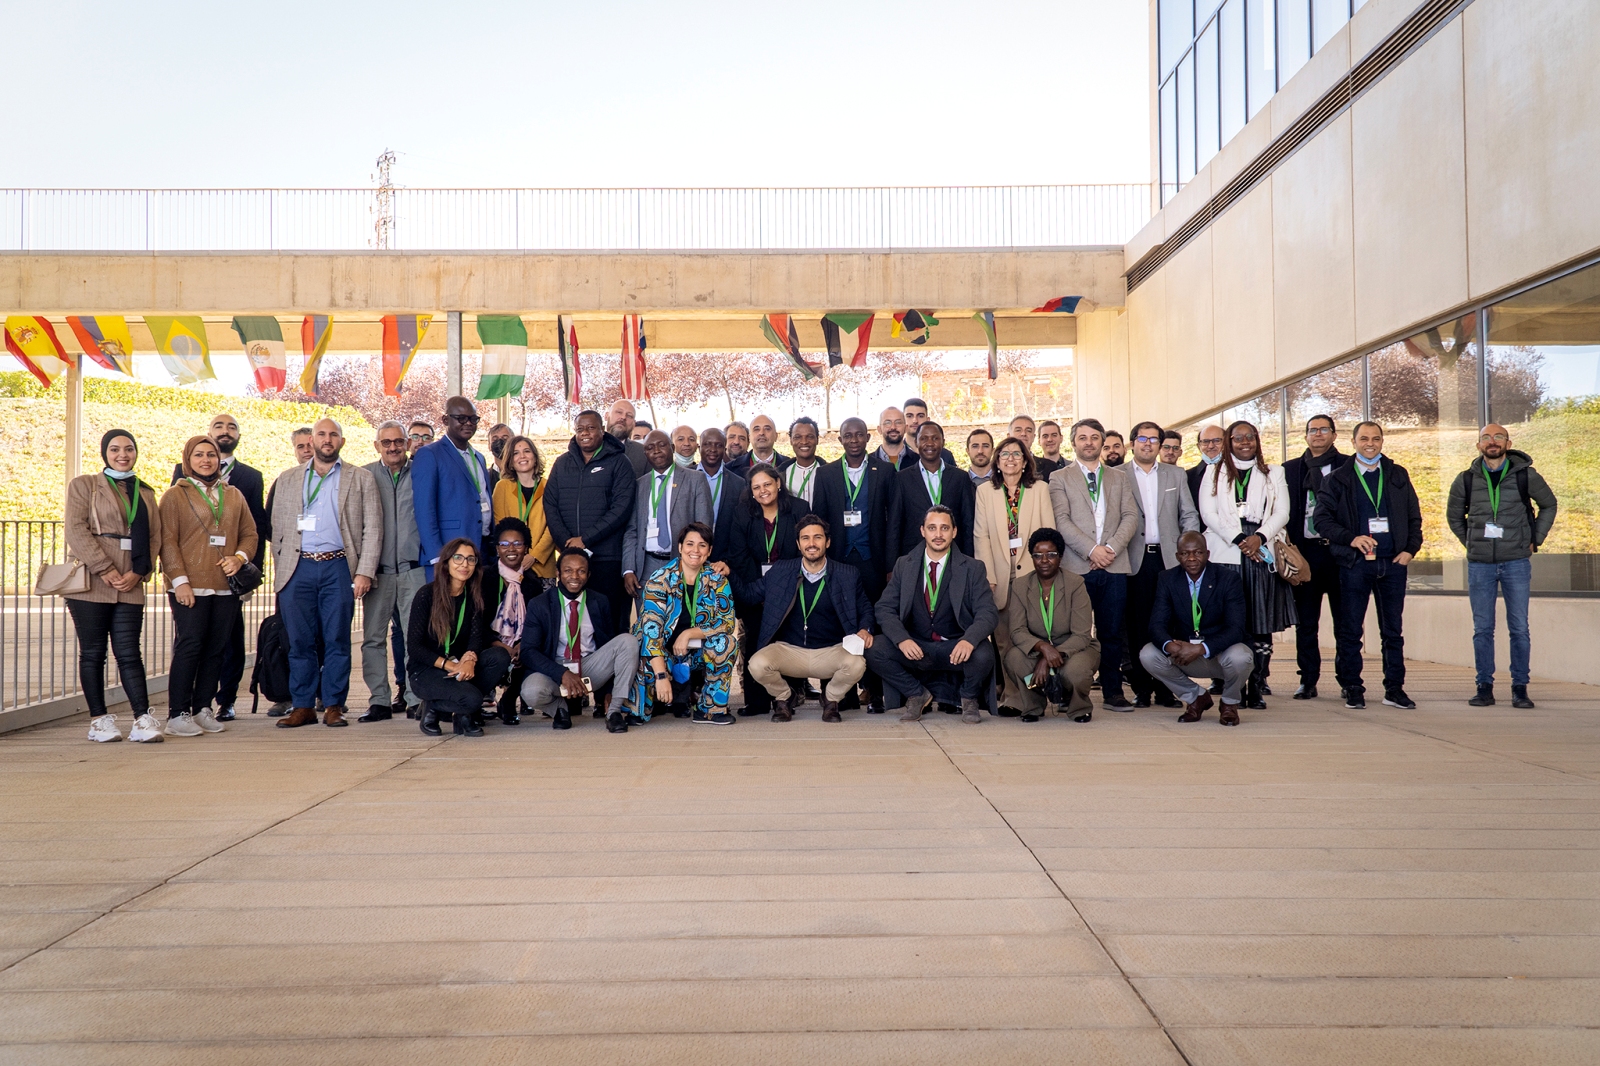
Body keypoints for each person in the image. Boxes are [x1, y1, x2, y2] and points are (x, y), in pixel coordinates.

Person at [270, 418, 381, 729]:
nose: (327, 440)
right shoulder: (289, 479)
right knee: (299, 640)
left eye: (334, 435)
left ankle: (333, 704)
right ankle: (303, 705)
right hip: (298, 568)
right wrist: (283, 573)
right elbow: (278, 530)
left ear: (341, 442)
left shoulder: (360, 479)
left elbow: (373, 529)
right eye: (322, 434)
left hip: (338, 567)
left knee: (336, 638)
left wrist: (364, 572)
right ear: (311, 441)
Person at [1313, 421, 1423, 711]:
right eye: (1364, 439)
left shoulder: (1397, 475)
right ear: (1353, 442)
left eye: (1376, 438)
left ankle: (1394, 689)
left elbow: (1414, 516)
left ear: (1382, 441)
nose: (1370, 443)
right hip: (1355, 565)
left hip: (1393, 563)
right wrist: (1351, 539)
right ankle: (1352, 687)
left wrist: (1410, 550)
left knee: (1392, 632)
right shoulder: (1338, 478)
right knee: (1350, 631)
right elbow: (1321, 521)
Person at [1448, 424, 1558, 709]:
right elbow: (1454, 516)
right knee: (1482, 628)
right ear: (1478, 445)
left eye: (1498, 437)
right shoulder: (1466, 480)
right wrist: (1471, 543)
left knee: (1519, 627)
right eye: (1486, 437)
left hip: (1516, 562)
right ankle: (1484, 686)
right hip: (1480, 565)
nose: (1492, 441)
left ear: (1508, 443)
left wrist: (1536, 539)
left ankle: (1520, 688)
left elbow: (1549, 505)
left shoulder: (1526, 476)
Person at [68, 430, 164, 744]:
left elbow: (154, 537)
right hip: (92, 580)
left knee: (128, 652)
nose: (122, 454)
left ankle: (142, 718)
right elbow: (76, 529)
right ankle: (100, 720)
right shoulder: (85, 485)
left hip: (131, 581)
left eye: (128, 449)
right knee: (93, 653)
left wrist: (140, 572)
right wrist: (104, 567)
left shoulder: (145, 492)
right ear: (104, 453)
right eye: (114, 449)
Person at [169, 412, 266, 723]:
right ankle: (178, 713)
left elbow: (251, 532)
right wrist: (179, 580)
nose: (206, 460)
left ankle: (203, 710)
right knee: (190, 646)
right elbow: (167, 540)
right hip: (190, 584)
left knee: (216, 649)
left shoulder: (234, 494)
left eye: (211, 454)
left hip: (225, 584)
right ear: (188, 459)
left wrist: (240, 558)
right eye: (199, 454)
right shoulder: (176, 494)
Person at [866, 505, 998, 723]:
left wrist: (969, 640)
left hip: (954, 647)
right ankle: (916, 694)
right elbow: (884, 608)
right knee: (874, 649)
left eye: (944, 528)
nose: (938, 535)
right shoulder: (904, 564)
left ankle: (968, 698)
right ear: (922, 531)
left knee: (983, 652)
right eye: (932, 528)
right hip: (917, 646)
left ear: (954, 532)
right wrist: (902, 640)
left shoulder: (973, 568)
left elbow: (988, 613)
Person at [1196, 420, 1295, 710]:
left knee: (1260, 620)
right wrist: (1240, 539)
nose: (1244, 442)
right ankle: (1231, 682)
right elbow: (1208, 513)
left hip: (1262, 552)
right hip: (1228, 550)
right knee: (1229, 619)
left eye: (1249, 437)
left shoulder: (1273, 472)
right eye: (1237, 438)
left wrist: (1259, 538)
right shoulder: (1214, 472)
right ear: (1229, 441)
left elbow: (1283, 511)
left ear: (1257, 440)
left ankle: (1257, 684)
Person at [740, 515, 874, 722]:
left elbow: (865, 607)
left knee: (857, 664)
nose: (811, 543)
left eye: (817, 537)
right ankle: (785, 697)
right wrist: (727, 572)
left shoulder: (847, 574)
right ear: (798, 544)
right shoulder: (781, 571)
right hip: (789, 651)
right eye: (805, 538)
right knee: (757, 664)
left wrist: (865, 628)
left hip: (831, 650)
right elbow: (748, 595)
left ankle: (830, 699)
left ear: (827, 542)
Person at [1048, 418, 1140, 710]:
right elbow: (1061, 520)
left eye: (1094, 437)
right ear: (1073, 443)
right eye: (1083, 438)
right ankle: (1071, 692)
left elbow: (1130, 516)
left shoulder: (1120, 477)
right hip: (1077, 566)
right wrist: (1091, 550)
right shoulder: (1059, 478)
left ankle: (1113, 691)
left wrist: (1109, 549)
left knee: (1111, 632)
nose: (1089, 442)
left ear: (1103, 442)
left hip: (1114, 564)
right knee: (1072, 633)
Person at [718, 463, 808, 715]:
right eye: (756, 487)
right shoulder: (742, 513)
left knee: (788, 642)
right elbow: (739, 554)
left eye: (767, 484)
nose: (763, 491)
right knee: (755, 642)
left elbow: (801, 550)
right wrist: (758, 591)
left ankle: (789, 697)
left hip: (791, 585)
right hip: (752, 587)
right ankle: (756, 702)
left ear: (778, 484)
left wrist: (778, 587)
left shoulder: (799, 508)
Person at [626, 523, 738, 725]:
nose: (695, 551)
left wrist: (690, 633)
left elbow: (727, 622)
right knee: (639, 644)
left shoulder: (716, 580)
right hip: (661, 653)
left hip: (696, 651)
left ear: (710, 550)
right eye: (690, 544)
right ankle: (647, 703)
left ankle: (709, 710)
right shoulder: (660, 579)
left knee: (726, 642)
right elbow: (650, 631)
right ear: (679, 547)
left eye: (702, 545)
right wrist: (661, 676)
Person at [1138, 531, 1254, 726]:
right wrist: (1170, 646)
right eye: (1185, 553)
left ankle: (1229, 703)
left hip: (1220, 653)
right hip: (1184, 655)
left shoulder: (1228, 579)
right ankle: (1196, 698)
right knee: (1148, 654)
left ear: (1207, 554)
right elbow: (1156, 624)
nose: (1191, 558)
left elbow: (1236, 629)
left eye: (1197, 552)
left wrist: (1201, 648)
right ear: (1177, 556)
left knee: (1241, 656)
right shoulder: (1167, 579)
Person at [972, 436, 1053, 714]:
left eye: (1016, 454)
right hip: (999, 576)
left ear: (1025, 460)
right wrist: (988, 575)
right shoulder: (985, 492)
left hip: (1032, 575)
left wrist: (1045, 576)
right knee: (1004, 641)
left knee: (1033, 638)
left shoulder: (1040, 489)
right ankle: (1013, 696)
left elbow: (1048, 535)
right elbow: (980, 536)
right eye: (1004, 454)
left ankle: (1036, 697)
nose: (1010, 459)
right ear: (997, 460)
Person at [1124, 421, 1201, 708]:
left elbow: (1189, 514)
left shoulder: (1176, 474)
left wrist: (1187, 548)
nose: (1148, 444)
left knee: (1172, 623)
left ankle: (1168, 689)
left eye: (1154, 439)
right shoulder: (1118, 475)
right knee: (1138, 624)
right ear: (1133, 443)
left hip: (1170, 559)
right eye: (1142, 438)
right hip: (1134, 559)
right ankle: (1142, 688)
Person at [521, 546, 640, 731]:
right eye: (568, 570)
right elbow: (528, 652)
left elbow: (608, 644)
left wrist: (607, 692)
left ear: (589, 574)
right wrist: (561, 673)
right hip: (555, 669)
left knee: (628, 641)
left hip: (589, 667)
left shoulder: (599, 601)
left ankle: (614, 712)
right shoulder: (540, 604)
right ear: (558, 572)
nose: (575, 576)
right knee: (530, 691)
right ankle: (560, 711)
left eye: (581, 571)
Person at [406, 537, 511, 737]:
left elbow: (476, 638)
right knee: (472, 699)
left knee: (499, 656)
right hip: (428, 670)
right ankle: (434, 707)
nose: (465, 564)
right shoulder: (426, 595)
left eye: (471, 559)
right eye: (458, 558)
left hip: (461, 665)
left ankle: (462, 715)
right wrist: (452, 666)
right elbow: (415, 648)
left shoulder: (474, 597)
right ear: (446, 562)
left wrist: (470, 659)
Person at [544, 409, 638, 630]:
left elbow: (621, 508)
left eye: (591, 428)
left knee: (610, 622)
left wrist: (585, 539)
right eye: (580, 429)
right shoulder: (562, 463)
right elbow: (550, 504)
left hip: (607, 559)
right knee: (576, 623)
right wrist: (567, 542)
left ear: (602, 431)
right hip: (571, 558)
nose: (585, 433)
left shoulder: (619, 462)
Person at [359, 421, 424, 723]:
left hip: (414, 571)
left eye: (399, 441)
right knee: (373, 638)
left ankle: (414, 698)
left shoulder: (421, 473)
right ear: (377, 446)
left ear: (408, 443)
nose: (393, 447)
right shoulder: (365, 476)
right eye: (387, 443)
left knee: (415, 638)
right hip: (377, 572)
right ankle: (379, 701)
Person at [1283, 415, 1350, 700]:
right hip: (1305, 555)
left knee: (1346, 623)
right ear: (1306, 436)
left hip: (1339, 554)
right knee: (1306, 623)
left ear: (1334, 435)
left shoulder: (1349, 466)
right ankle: (1307, 680)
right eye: (1313, 430)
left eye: (1324, 429)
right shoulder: (1290, 470)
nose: (1318, 434)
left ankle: (1348, 680)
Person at [1003, 528, 1099, 722]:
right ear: (1032, 558)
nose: (1044, 560)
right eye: (1038, 555)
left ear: (1060, 557)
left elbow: (1082, 635)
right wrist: (1044, 649)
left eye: (1051, 555)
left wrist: (1050, 657)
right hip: (1037, 649)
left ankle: (1079, 707)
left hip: (1074, 648)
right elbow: (1017, 630)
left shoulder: (1076, 584)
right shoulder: (1021, 586)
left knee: (1076, 672)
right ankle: (1033, 706)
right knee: (1013, 658)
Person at [623, 428, 714, 597]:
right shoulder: (639, 485)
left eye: (661, 445)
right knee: (649, 622)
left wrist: (697, 567)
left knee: (680, 622)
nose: (656, 451)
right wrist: (628, 569)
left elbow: (704, 529)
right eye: (650, 448)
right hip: (645, 567)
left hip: (684, 565)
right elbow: (632, 530)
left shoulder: (695, 480)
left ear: (672, 447)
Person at [412, 397, 495, 576]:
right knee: (447, 604)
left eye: (473, 419)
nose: (468, 423)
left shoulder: (479, 457)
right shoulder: (429, 455)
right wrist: (436, 557)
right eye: (461, 418)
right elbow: (424, 510)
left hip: (481, 551)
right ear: (445, 420)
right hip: (448, 555)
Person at [479, 517, 544, 724]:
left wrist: (521, 644)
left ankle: (508, 701)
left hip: (520, 644)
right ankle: (474, 701)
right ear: (497, 549)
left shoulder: (532, 583)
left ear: (526, 548)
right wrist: (500, 645)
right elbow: (476, 622)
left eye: (518, 543)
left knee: (533, 650)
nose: (511, 549)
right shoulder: (484, 578)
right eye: (504, 544)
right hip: (488, 642)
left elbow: (537, 623)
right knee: (497, 656)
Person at [889, 421, 976, 559]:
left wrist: (968, 559)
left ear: (943, 442)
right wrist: (892, 565)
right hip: (913, 557)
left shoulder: (960, 478)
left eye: (935, 438)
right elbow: (894, 524)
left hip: (953, 556)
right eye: (923, 438)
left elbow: (968, 523)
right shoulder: (901, 479)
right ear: (916, 443)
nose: (929, 443)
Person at [491, 435, 556, 583]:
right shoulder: (502, 487)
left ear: (535, 456)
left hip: (543, 568)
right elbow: (501, 528)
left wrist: (534, 556)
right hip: (511, 568)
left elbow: (553, 527)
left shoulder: (550, 486)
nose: (522, 456)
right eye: (516, 453)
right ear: (510, 461)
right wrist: (518, 555)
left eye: (527, 451)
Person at [697, 427, 745, 554]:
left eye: (718, 445)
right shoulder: (684, 477)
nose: (712, 449)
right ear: (699, 448)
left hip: (723, 555)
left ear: (724, 450)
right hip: (691, 553)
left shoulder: (738, 483)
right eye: (707, 444)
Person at [783, 417, 823, 507]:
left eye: (810, 437)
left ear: (817, 440)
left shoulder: (830, 473)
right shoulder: (782, 474)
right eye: (798, 437)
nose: (804, 442)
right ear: (791, 441)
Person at [605, 399, 651, 475]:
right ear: (606, 416)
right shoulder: (588, 448)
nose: (623, 417)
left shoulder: (643, 454)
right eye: (619, 412)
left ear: (634, 424)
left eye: (629, 416)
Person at [1187, 424, 1226, 509]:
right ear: (1199, 446)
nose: (1211, 446)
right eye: (1205, 441)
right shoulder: (1188, 477)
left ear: (1226, 443)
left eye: (1216, 440)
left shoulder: (1236, 471)